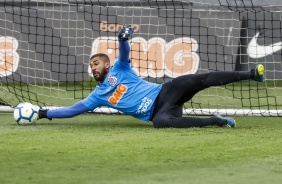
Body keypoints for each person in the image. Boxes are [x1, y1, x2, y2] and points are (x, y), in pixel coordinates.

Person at [36, 25, 265, 128]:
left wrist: (123, 39)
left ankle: (250, 74)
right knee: (161, 124)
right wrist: (42, 113)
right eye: (90, 65)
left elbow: (124, 52)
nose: (93, 67)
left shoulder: (119, 69)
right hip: (159, 111)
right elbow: (72, 110)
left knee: (196, 79)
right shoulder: (98, 96)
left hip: (165, 91)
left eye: (96, 63)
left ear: (107, 64)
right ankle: (217, 121)